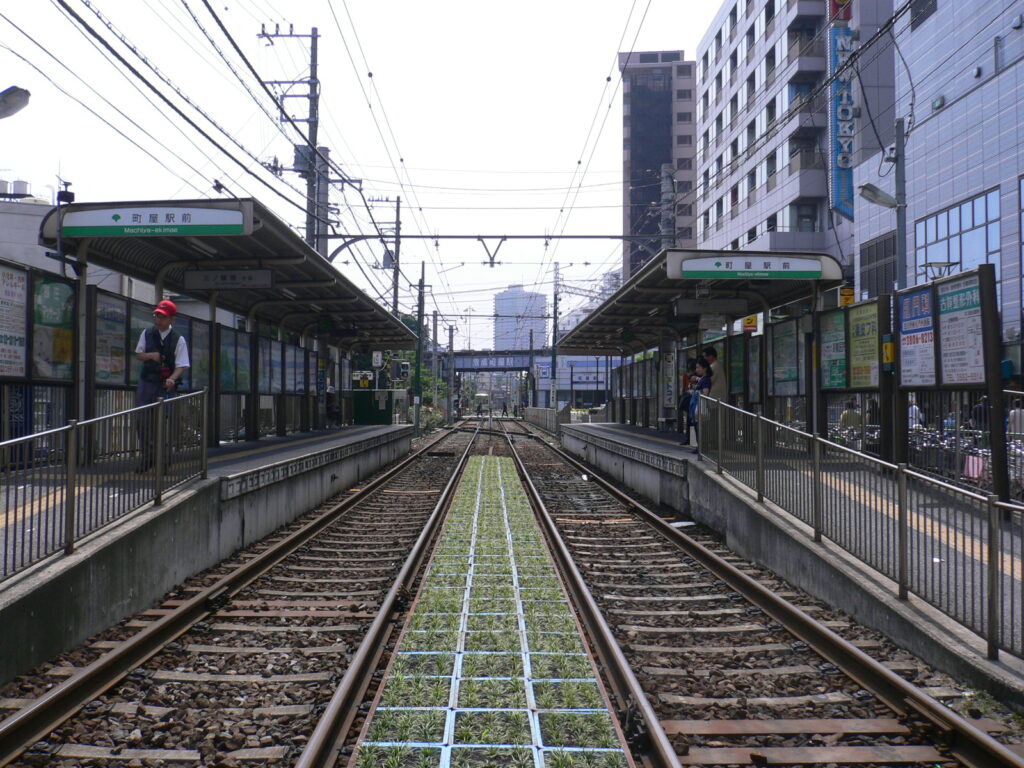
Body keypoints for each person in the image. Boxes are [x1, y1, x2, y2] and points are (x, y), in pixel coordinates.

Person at [134, 300, 190, 471]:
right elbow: (138, 354)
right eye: (157, 315)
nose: (158, 319)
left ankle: (164, 461)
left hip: (165, 386)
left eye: (163, 317)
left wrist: (172, 379)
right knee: (142, 421)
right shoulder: (147, 333)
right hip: (146, 383)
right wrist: (151, 355)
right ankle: (147, 457)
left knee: (163, 424)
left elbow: (182, 365)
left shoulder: (178, 339)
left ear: (172, 319)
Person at [688, 358, 711, 451]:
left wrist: (695, 392)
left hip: (700, 406)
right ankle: (700, 447)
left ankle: (702, 448)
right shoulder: (702, 379)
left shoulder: (706, 380)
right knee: (698, 427)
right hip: (696, 406)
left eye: (698, 367)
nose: (697, 370)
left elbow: (705, 393)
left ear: (704, 368)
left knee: (701, 428)